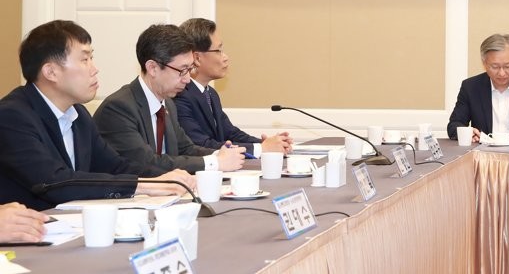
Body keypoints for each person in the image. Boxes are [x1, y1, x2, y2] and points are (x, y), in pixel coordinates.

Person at [0, 20, 193, 210]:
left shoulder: (78, 114)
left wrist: (167, 178)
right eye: (85, 60)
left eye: (92, 58)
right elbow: (54, 181)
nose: (94, 69)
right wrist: (144, 186)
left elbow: (115, 166)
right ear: (51, 72)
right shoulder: (12, 116)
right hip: (33, 226)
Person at [94, 24, 246, 173]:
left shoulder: (168, 104)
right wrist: (215, 162)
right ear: (153, 68)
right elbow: (146, 163)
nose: (187, 79)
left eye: (190, 69)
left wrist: (219, 154)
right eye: (182, 70)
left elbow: (186, 149)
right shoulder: (118, 109)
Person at [174, 18, 292, 156]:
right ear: (197, 58)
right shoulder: (179, 95)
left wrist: (267, 144)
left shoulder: (210, 94)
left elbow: (231, 133)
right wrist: (262, 148)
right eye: (218, 50)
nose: (225, 57)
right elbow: (201, 144)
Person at [447, 34, 509, 142]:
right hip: (481, 151)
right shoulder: (471, 87)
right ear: (484, 63)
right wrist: (468, 133)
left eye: (507, 66)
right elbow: (454, 125)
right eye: (495, 67)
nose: (501, 73)